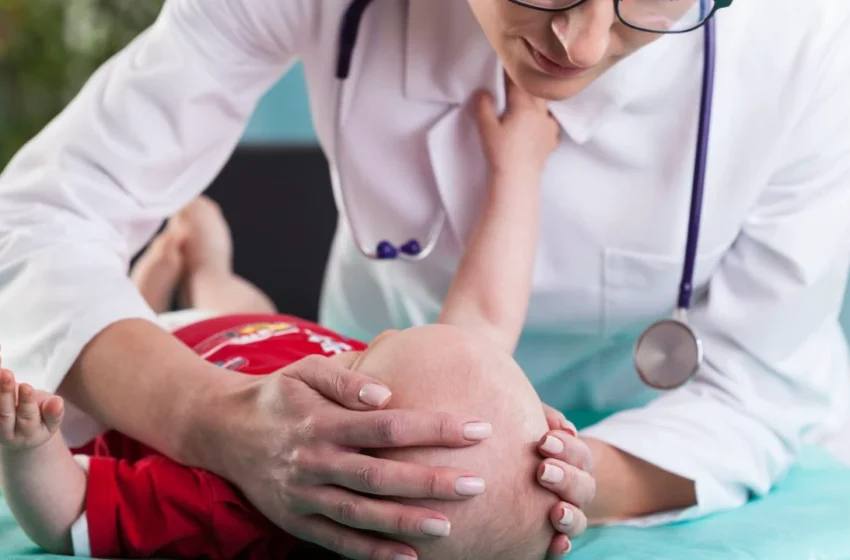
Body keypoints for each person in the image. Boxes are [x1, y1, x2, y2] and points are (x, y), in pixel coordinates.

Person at [1, 0, 849, 558]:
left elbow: (750, 390)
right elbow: (37, 221)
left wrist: (543, 488)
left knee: (233, 313)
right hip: (351, 391)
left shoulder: (808, 39)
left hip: (680, 440)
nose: (581, 43)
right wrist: (211, 419)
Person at [0, 84, 591, 559]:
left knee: (152, 322)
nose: (375, 338)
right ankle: (204, 267)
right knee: (244, 307)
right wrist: (517, 171)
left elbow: (71, 515)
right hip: (256, 331)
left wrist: (28, 452)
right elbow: (486, 310)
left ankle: (155, 281)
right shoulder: (387, 396)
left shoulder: (232, 505)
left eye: (361, 360)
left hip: (145, 359)